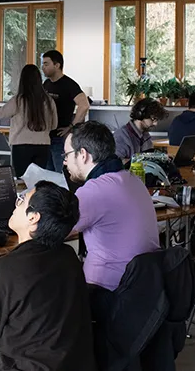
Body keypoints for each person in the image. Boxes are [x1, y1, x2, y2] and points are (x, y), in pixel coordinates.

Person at [0, 181, 96, 371]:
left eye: (21, 200)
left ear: (33, 217)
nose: (15, 203)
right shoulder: (68, 256)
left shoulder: (2, 271)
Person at [64, 121, 160, 291]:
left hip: (108, 292)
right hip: (145, 290)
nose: (65, 162)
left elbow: (56, 228)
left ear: (83, 155)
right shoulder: (132, 179)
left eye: (67, 155)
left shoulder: (94, 190)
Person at [0, 65, 57, 178]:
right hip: (43, 146)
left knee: (22, 181)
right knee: (38, 182)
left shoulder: (19, 100)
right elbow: (54, 125)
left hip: (21, 147)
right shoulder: (49, 101)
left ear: (22, 80)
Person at [41, 50, 90, 172]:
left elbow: (84, 105)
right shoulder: (46, 84)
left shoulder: (69, 84)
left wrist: (71, 127)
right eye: (42, 64)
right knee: (47, 175)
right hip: (45, 137)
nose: (43, 67)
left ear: (57, 65)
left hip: (60, 138)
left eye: (46, 64)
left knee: (61, 174)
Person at [114, 97, 168, 161]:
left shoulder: (145, 135)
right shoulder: (121, 136)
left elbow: (149, 158)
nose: (155, 124)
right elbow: (116, 163)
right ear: (140, 115)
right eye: (153, 119)